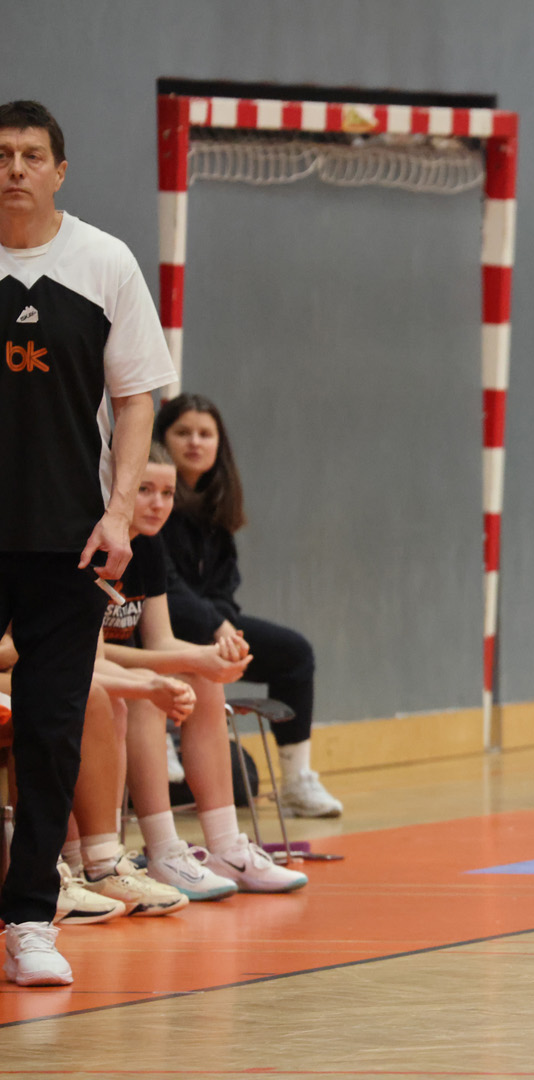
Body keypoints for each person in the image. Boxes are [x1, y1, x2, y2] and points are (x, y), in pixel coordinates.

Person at [0, 100, 176, 986]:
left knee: (49, 732)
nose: (15, 169)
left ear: (59, 170)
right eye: (2, 154)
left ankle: (31, 918)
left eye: (32, 155)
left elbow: (138, 396)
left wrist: (117, 513)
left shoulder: (104, 262)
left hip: (65, 539)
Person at [98, 443, 308, 894]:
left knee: (205, 683)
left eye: (167, 493)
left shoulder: (148, 546)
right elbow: (90, 654)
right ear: (118, 488)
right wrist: (192, 658)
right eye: (144, 490)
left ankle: (227, 847)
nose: (158, 504)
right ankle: (163, 851)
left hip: (124, 670)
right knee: (147, 691)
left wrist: (210, 658)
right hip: (91, 674)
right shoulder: (97, 545)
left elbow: (160, 639)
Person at [156, 393, 342, 818]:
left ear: (219, 444)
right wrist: (215, 625)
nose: (195, 442)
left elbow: (224, 586)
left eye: (205, 434)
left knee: (294, 653)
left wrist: (222, 628)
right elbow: (164, 586)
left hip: (211, 628)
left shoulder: (216, 508)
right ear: (163, 440)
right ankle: (160, 739)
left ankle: (296, 781)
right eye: (183, 432)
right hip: (160, 629)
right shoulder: (155, 503)